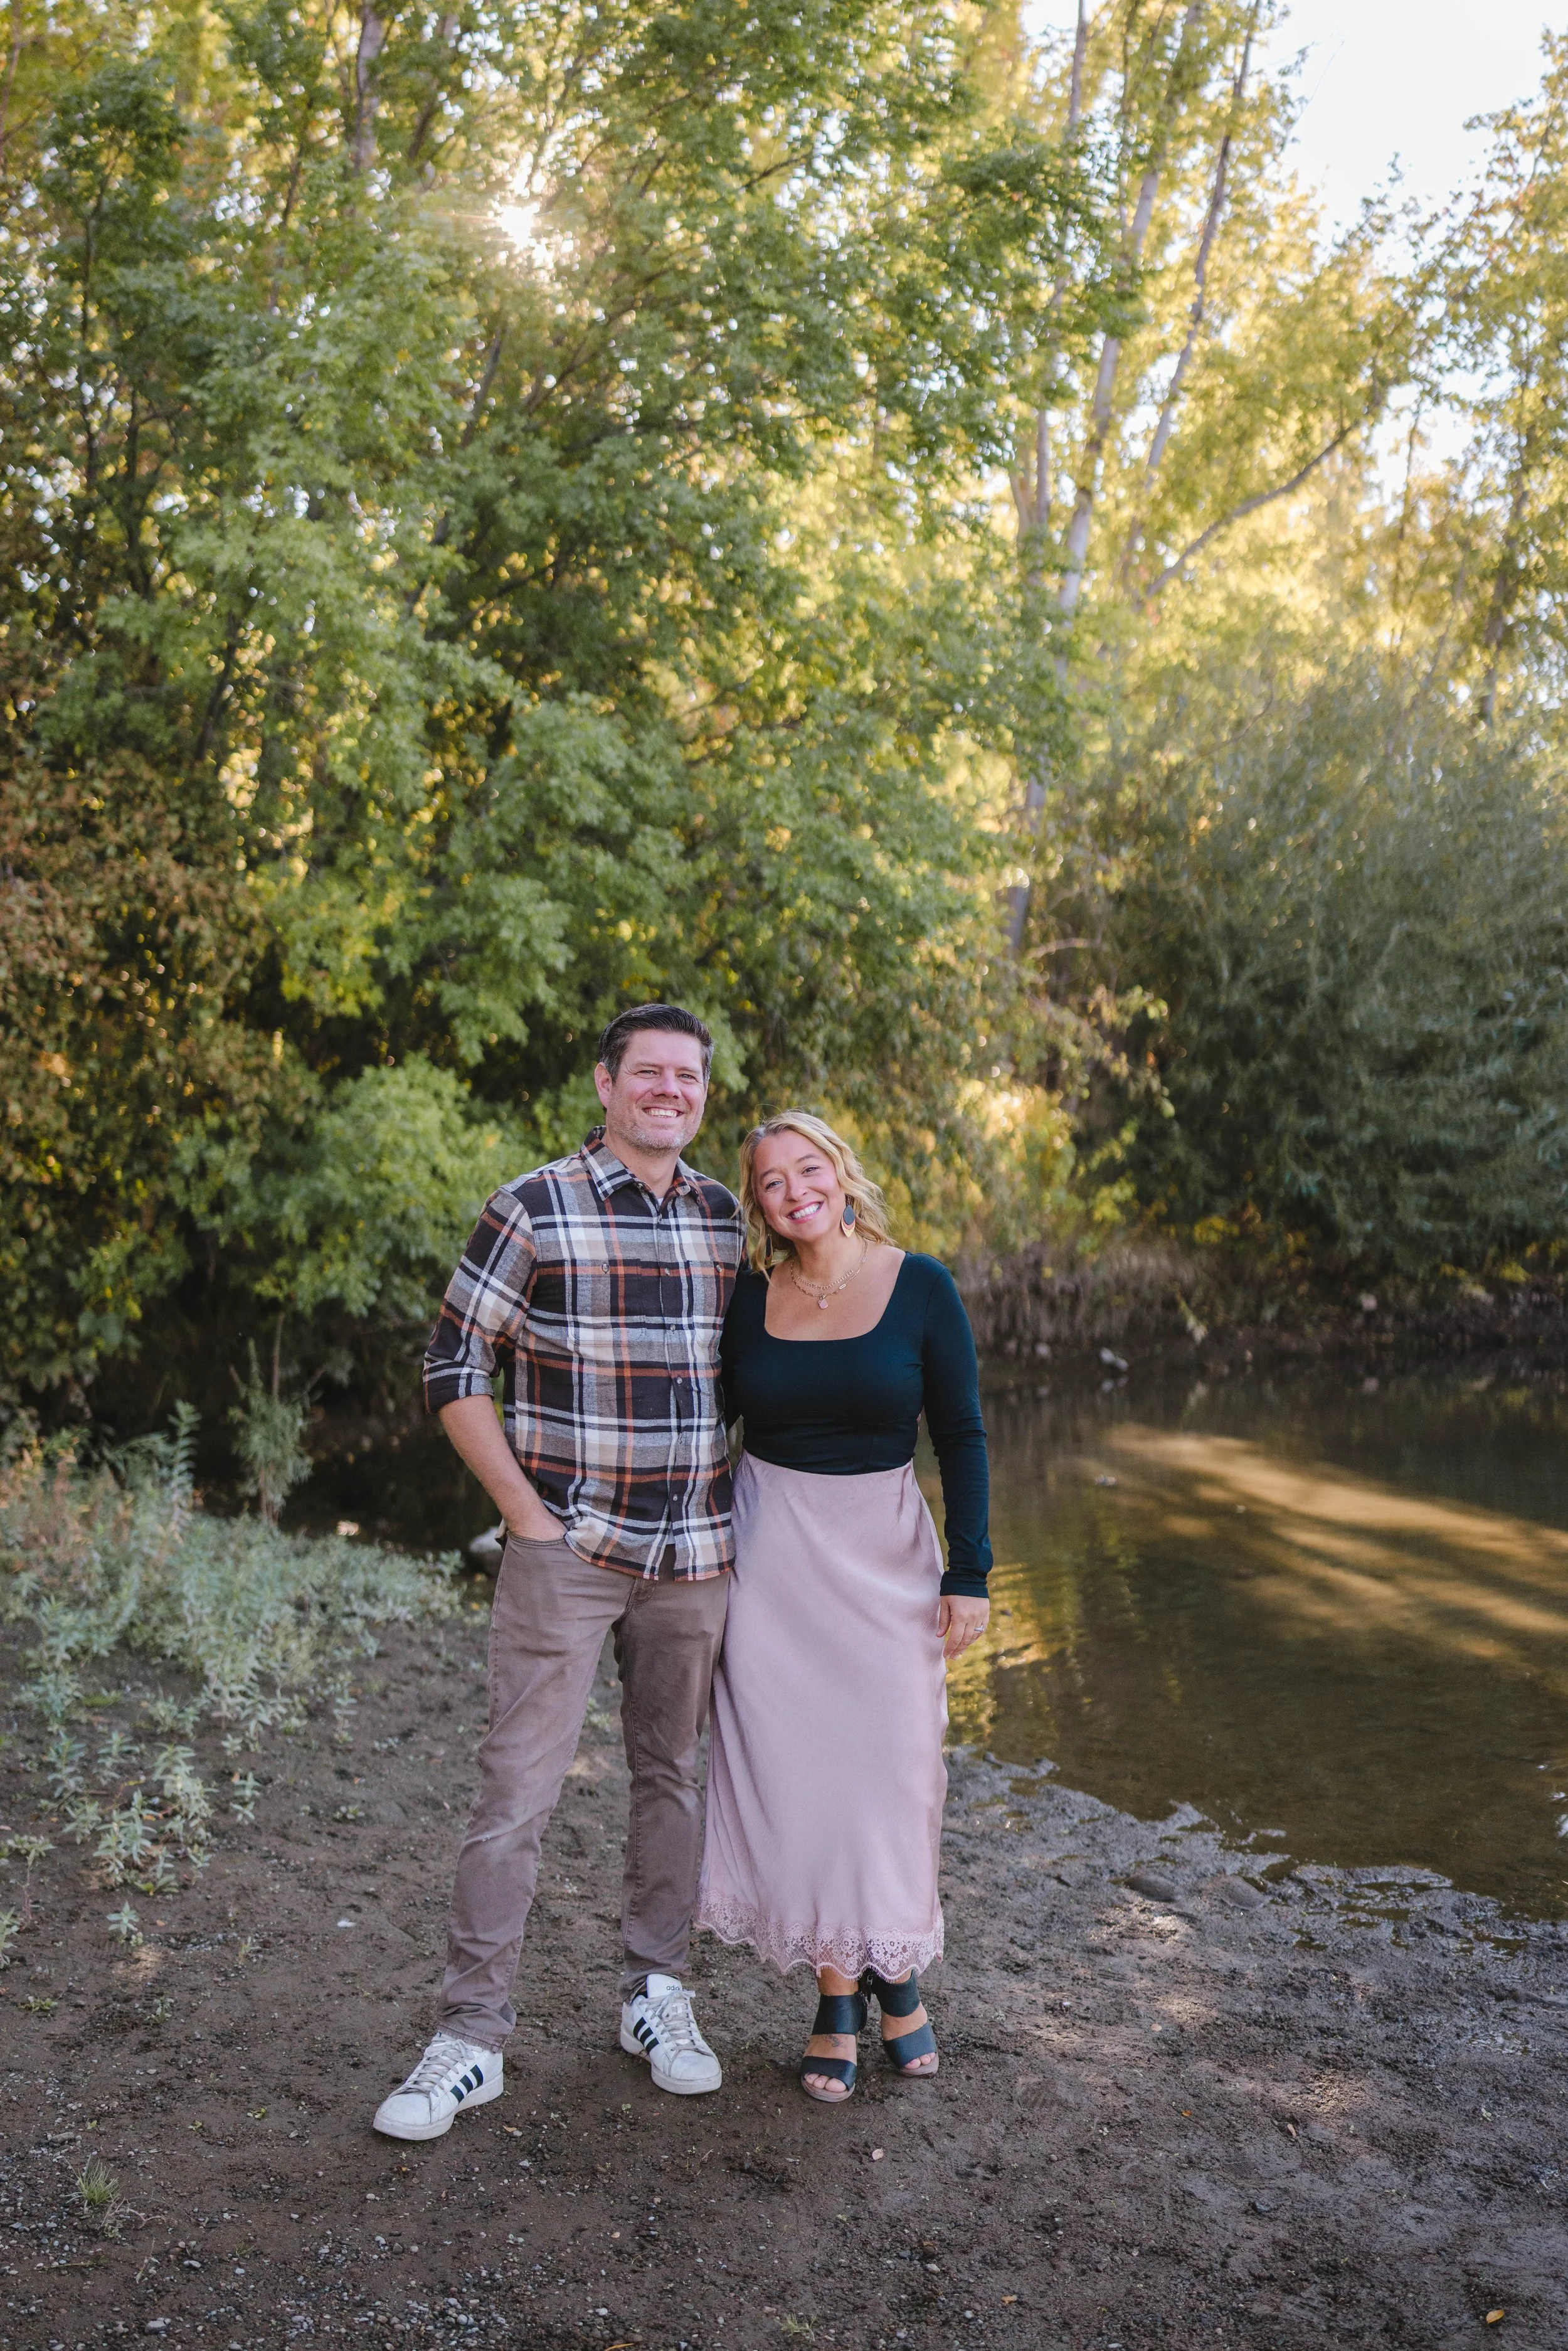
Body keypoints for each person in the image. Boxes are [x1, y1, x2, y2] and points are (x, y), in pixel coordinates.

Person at [373, 1004, 745, 2141]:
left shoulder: (729, 1221)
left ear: (701, 1093)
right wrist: (524, 1516)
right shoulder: (534, 1206)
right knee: (516, 1795)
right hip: (566, 1553)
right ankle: (470, 2038)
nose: (669, 1091)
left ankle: (655, 1996)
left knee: (672, 1781)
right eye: (649, 1074)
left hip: (694, 1560)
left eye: (687, 1077)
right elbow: (452, 1361)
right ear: (605, 1084)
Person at [694, 1112, 991, 2103]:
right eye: (770, 1182)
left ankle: (895, 1970)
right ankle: (839, 1992)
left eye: (806, 1169)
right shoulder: (746, 1298)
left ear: (841, 1173)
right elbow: (699, 1418)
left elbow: (961, 1434)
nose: (793, 1191)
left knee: (894, 1776)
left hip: (889, 1562)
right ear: (759, 1205)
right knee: (809, 1784)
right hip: (774, 1567)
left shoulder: (922, 1287)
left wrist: (972, 1573)